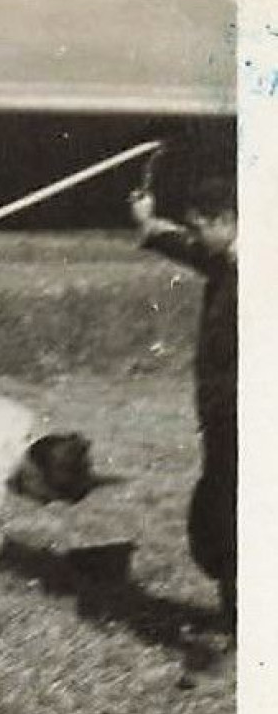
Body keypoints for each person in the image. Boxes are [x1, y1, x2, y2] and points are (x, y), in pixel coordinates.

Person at [130, 175, 237, 683]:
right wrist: (150, 226)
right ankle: (238, 618)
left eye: (200, 227)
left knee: (233, 523)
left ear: (226, 221)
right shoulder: (229, 255)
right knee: (217, 519)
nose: (194, 236)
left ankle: (243, 634)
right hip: (222, 420)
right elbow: (194, 252)